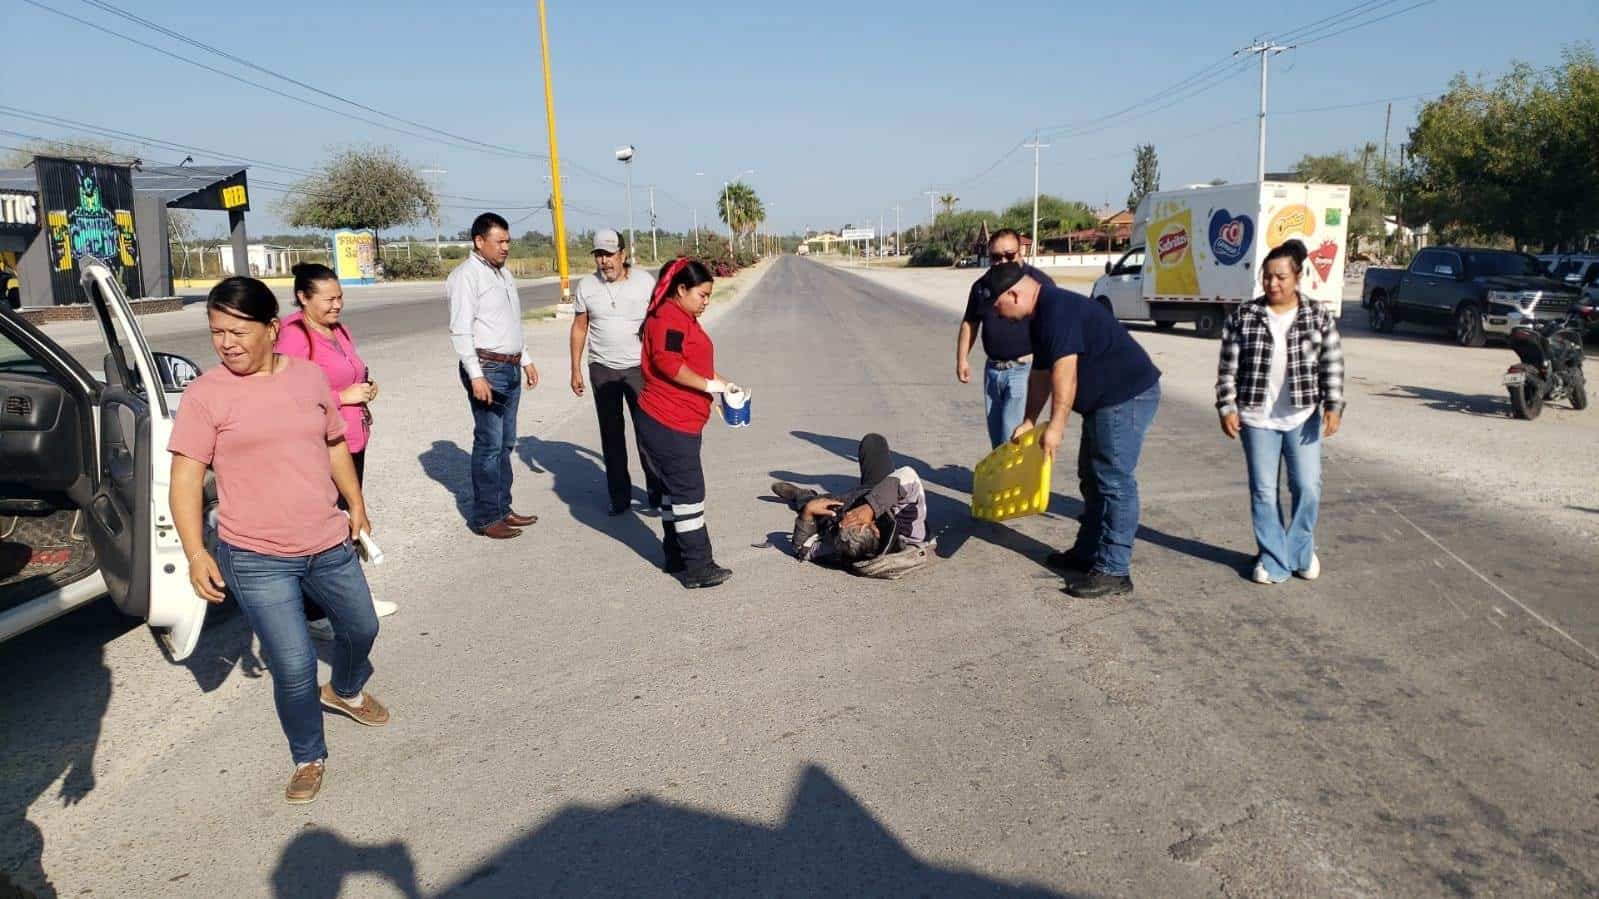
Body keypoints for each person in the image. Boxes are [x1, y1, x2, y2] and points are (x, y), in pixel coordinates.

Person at [168, 277, 389, 805]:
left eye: (238, 330)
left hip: (328, 542)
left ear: (272, 328)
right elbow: (183, 480)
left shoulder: (310, 379)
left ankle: (346, 689)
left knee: (362, 627)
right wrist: (196, 552)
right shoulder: (206, 396)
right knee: (293, 665)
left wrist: (355, 504)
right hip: (255, 556)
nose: (226, 343)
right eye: (216, 331)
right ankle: (308, 754)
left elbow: (336, 445)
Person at [982, 261, 1163, 599]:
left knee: (1113, 481)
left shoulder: (1056, 308)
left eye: (997, 306)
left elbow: (1065, 369)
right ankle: (1088, 553)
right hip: (1103, 401)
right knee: (1090, 476)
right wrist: (1030, 420)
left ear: (1015, 294)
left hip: (1126, 395)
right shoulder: (1038, 316)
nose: (997, 315)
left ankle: (1114, 569)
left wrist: (1057, 426)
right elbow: (1041, 371)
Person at [276, 262, 398, 640]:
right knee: (328, 525)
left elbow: (352, 371)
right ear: (303, 298)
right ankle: (322, 609)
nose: (336, 305)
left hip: (351, 438)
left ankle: (347, 600)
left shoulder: (338, 330)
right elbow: (288, 394)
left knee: (349, 518)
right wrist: (342, 396)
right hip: (319, 445)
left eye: (340, 297)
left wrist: (366, 387)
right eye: (328, 299)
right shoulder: (294, 337)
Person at [1215, 239, 1345, 585]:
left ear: (1297, 277)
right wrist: (1226, 406)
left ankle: (1300, 551)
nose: (1273, 284)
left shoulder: (1317, 315)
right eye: (1267, 276)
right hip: (1256, 418)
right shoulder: (1245, 315)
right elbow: (1228, 368)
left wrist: (1333, 405)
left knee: (1307, 486)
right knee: (1263, 490)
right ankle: (1273, 559)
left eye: (1281, 277)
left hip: (1302, 416)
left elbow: (1332, 363)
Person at [636, 258, 741, 588]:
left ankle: (675, 555)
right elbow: (668, 364)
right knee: (688, 492)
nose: (707, 302)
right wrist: (710, 387)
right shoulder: (669, 318)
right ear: (681, 289)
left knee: (672, 493)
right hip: (668, 421)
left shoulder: (684, 316)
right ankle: (698, 565)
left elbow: (698, 366)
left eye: (710, 295)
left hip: (676, 420)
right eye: (702, 294)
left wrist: (725, 387)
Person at [448, 212, 540, 539]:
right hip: (487, 369)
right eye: (499, 241)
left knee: (506, 443)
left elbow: (511, 322)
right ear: (479, 241)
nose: (506, 247)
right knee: (489, 443)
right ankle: (487, 518)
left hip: (510, 366)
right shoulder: (466, 277)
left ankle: (503, 508)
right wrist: (475, 375)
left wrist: (525, 359)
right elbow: (460, 331)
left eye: (508, 241)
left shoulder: (503, 274)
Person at [569, 229, 664, 515]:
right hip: (602, 369)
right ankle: (619, 498)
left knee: (648, 433)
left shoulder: (645, 282)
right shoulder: (586, 286)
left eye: (609, 255)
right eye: (599, 255)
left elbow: (659, 322)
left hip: (639, 369)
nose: (604, 261)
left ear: (623, 254)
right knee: (611, 436)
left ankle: (657, 494)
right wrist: (575, 368)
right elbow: (579, 327)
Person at [771, 434, 936, 578]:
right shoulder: (910, 531)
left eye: (846, 520)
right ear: (876, 529)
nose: (849, 515)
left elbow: (803, 549)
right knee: (873, 441)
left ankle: (801, 496)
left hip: (842, 500)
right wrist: (871, 506)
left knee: (819, 505)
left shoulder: (839, 547)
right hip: (878, 488)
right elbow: (908, 474)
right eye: (854, 518)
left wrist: (807, 512)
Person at [956, 229, 1057, 447]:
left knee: (1010, 438)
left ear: (1020, 252)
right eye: (995, 257)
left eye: (1009, 255)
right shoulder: (982, 287)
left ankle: (1011, 482)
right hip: (992, 371)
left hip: (1022, 370)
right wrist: (962, 359)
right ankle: (1002, 480)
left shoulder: (1039, 283)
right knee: (997, 438)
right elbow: (970, 322)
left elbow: (1054, 329)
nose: (1003, 261)